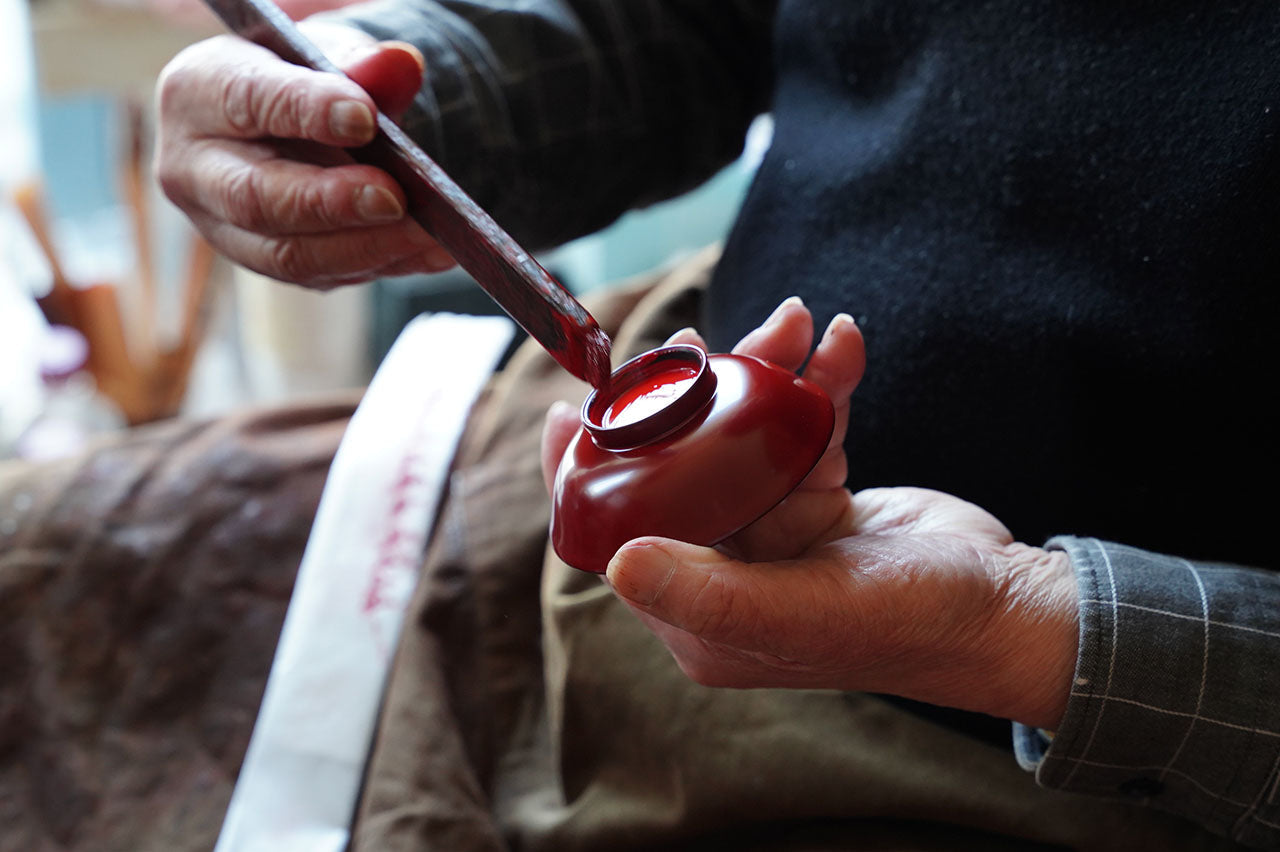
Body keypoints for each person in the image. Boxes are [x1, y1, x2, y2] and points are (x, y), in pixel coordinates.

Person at [154, 1, 1280, 848]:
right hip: (590, 431)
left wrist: (1022, 633)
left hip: (1050, 762)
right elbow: (691, 20)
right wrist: (389, 91)